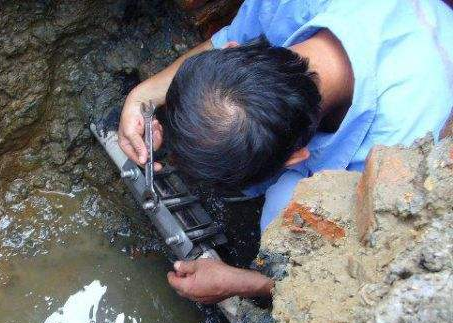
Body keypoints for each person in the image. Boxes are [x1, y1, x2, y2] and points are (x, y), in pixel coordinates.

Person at [117, 0, 453, 304]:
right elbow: (224, 40)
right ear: (235, 53)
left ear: (296, 157)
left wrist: (247, 282)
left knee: (283, 209)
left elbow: (354, 280)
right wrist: (141, 97)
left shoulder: (394, 148)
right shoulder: (287, 4)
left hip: (428, 64)